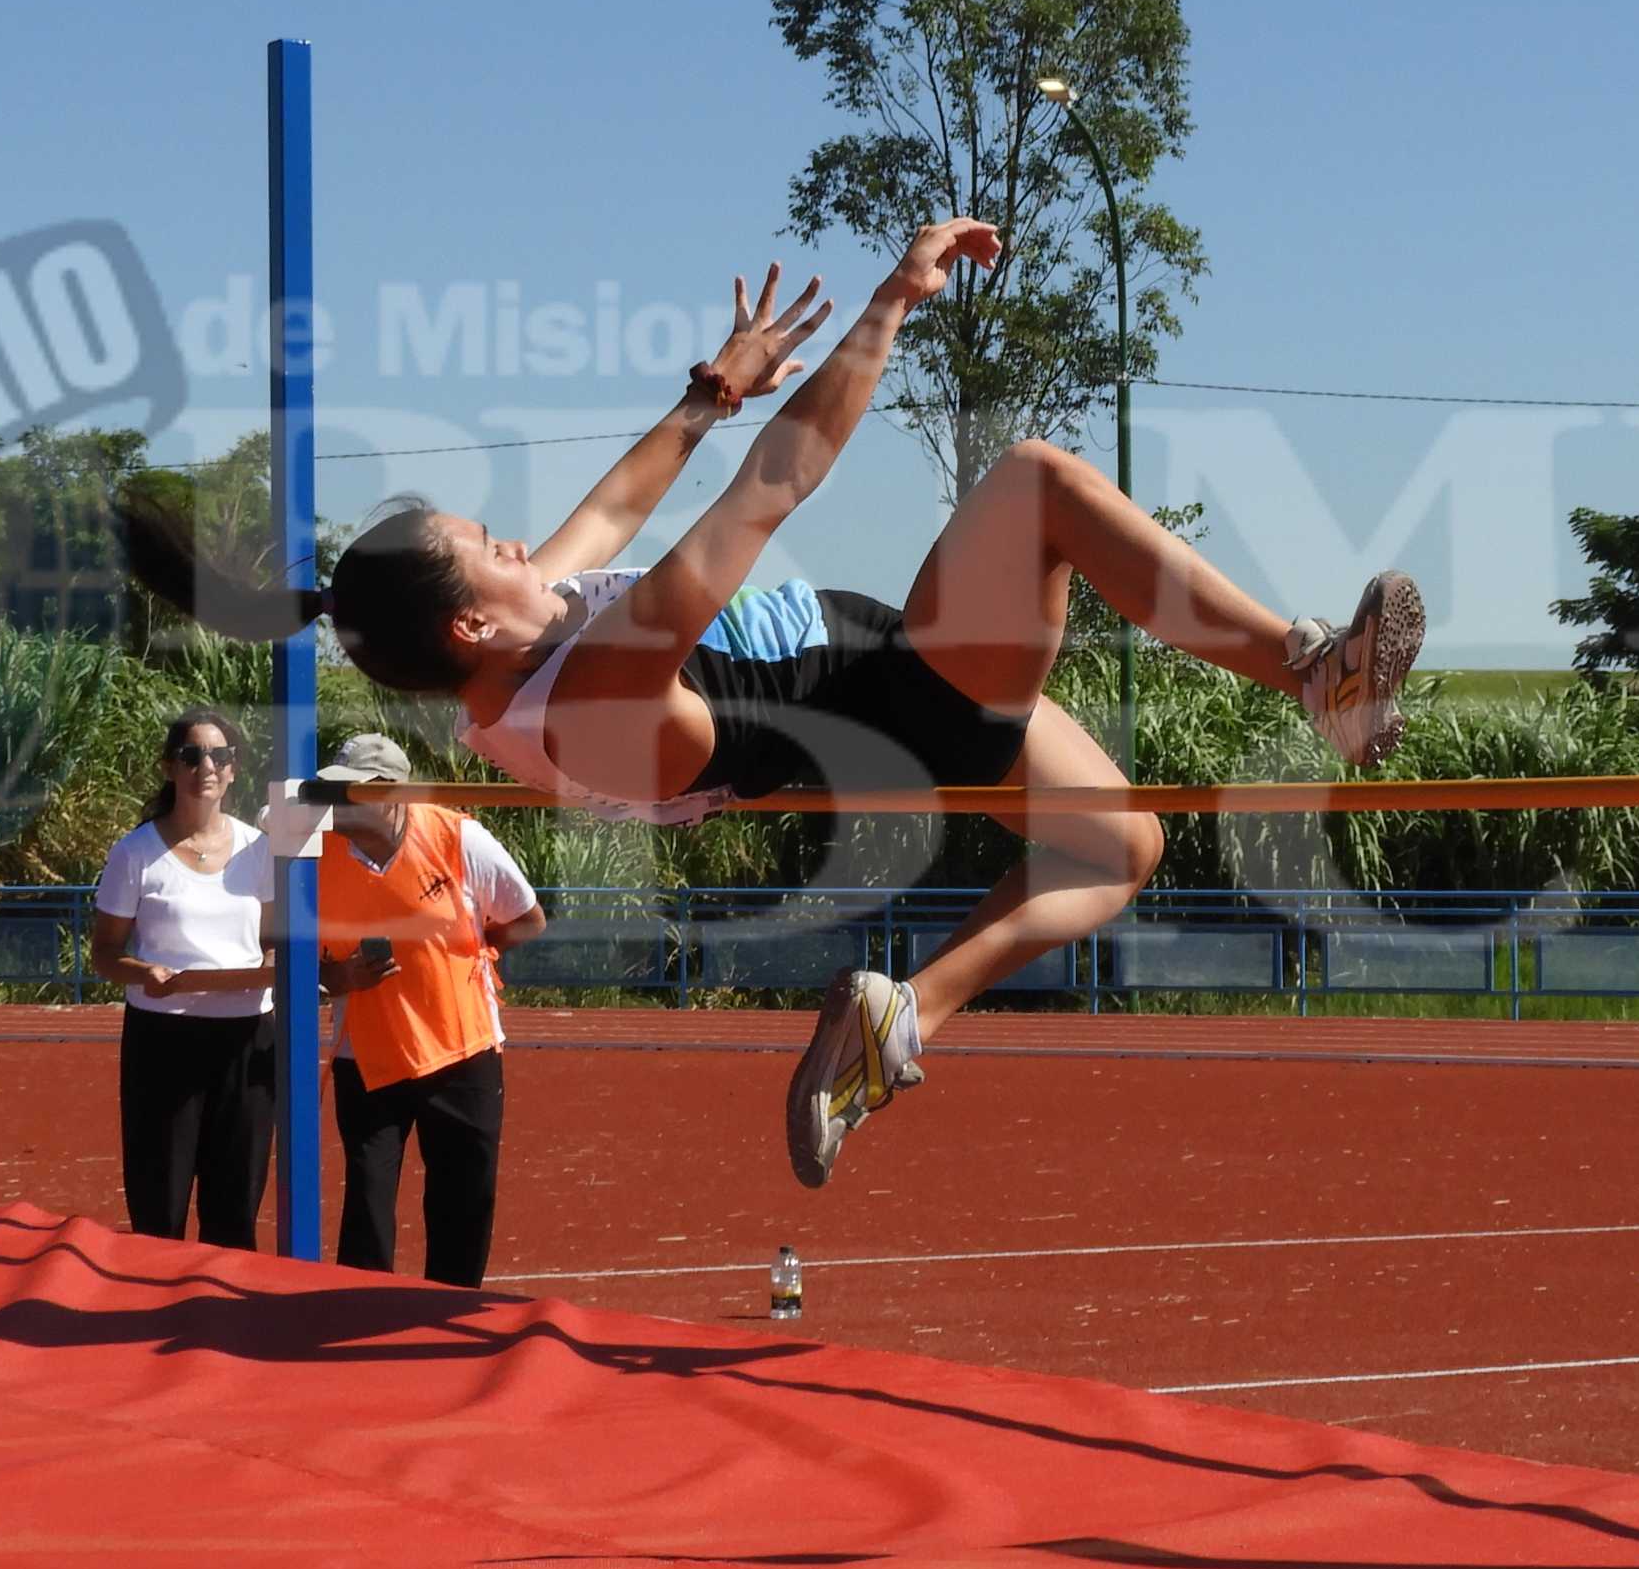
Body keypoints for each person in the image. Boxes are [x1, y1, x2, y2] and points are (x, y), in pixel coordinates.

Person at [318, 226, 1420, 1189]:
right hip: (906, 698)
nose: (520, 543)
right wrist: (893, 298)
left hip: (891, 682)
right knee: (1038, 483)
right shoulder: (592, 698)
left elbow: (610, 510)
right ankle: (1313, 676)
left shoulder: (514, 669)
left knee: (1120, 845)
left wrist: (710, 394)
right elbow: (774, 485)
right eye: (490, 546)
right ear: (467, 623)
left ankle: (902, 1017)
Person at [307, 732, 547, 1288]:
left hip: (460, 1048)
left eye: (353, 792)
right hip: (367, 1054)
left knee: (463, 1196)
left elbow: (527, 918)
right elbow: (291, 950)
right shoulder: (315, 854)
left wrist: (470, 950)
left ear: (394, 792)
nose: (339, 803)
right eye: (334, 790)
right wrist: (336, 977)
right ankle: (362, 1306)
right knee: (368, 1199)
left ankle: (449, 1306)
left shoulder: (458, 838)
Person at [88, 707, 280, 1248]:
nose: (206, 767)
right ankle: (154, 1298)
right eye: (192, 755)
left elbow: (269, 939)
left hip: (246, 1037)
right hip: (164, 1039)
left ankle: (225, 1304)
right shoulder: (135, 852)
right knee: (160, 1205)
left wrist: (268, 968)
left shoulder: (259, 849)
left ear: (234, 769)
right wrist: (144, 971)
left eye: (219, 755)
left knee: (235, 1208)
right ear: (169, 767)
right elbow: (104, 953)